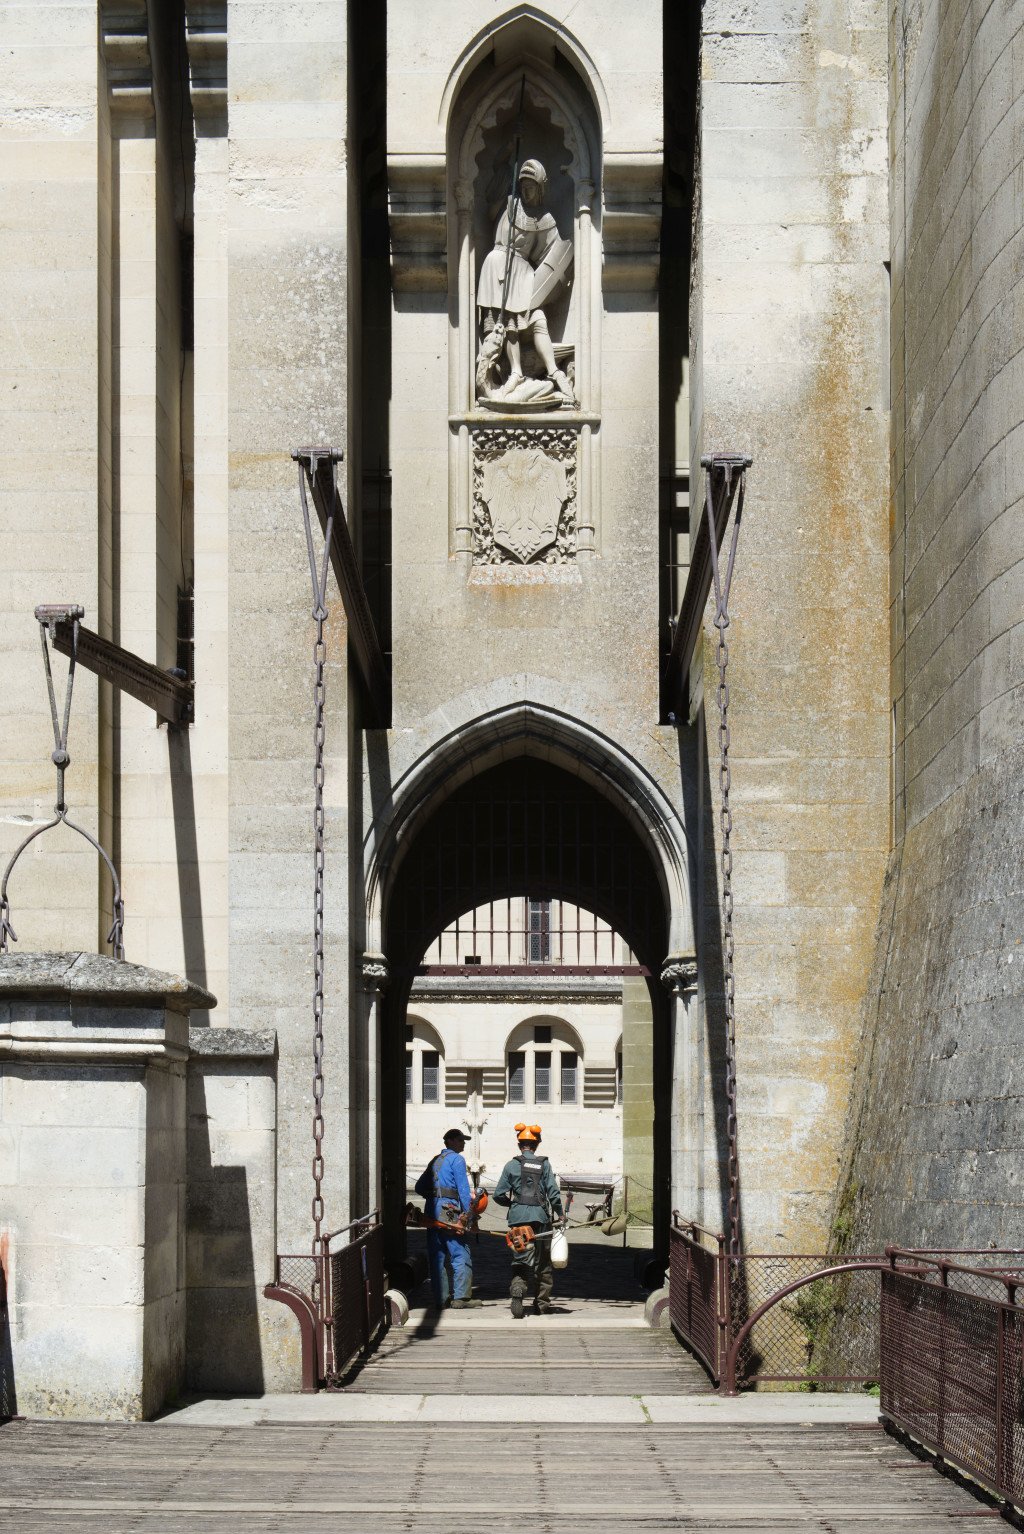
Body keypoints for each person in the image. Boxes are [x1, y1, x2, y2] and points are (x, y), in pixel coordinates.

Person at [476, 158, 575, 404]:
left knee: (537, 319)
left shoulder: (546, 220)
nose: (525, 190)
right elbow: (489, 207)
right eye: (523, 185)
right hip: (497, 264)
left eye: (531, 186)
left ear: (541, 188)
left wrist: (561, 280)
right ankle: (516, 372)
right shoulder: (509, 204)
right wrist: (503, 165)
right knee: (507, 324)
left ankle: (553, 371)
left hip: (521, 271)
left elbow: (553, 256)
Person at [493, 1122, 564, 1318]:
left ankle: (518, 1287)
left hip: (518, 1219)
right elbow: (553, 1193)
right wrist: (560, 1213)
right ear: (537, 1144)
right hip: (540, 1218)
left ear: (519, 1145)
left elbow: (498, 1194)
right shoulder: (544, 1164)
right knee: (543, 1262)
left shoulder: (511, 1165)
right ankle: (541, 1305)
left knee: (520, 1257)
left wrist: (513, 1205)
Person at [414, 1128, 482, 1309]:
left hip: (431, 1210)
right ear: (450, 1141)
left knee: (437, 1255)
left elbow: (419, 1187)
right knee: (460, 1252)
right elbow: (464, 1191)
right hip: (449, 1211)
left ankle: (441, 1299)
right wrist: (469, 1216)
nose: (463, 1143)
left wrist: (435, 1195)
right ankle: (462, 1298)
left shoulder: (435, 1160)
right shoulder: (457, 1159)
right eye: (460, 1140)